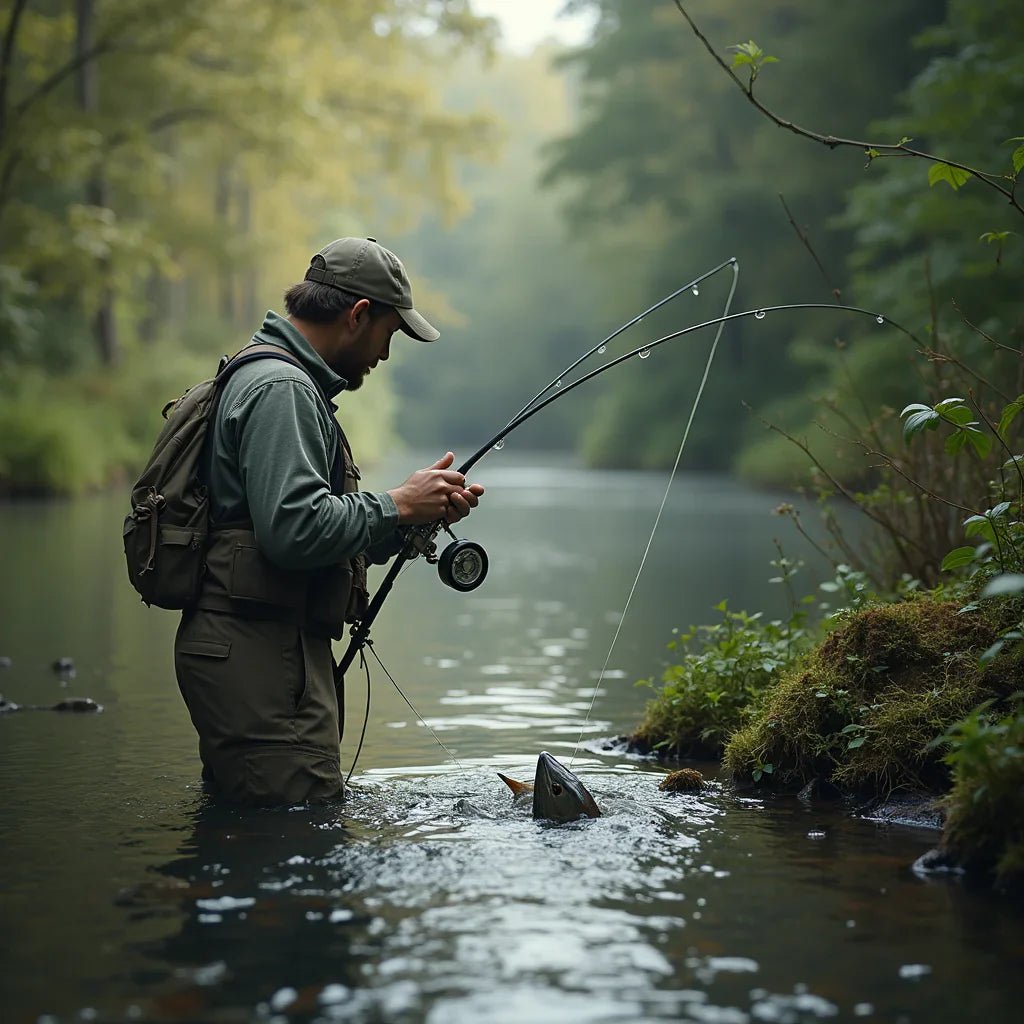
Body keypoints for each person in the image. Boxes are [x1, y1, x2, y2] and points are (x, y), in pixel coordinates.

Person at [174, 237, 484, 806]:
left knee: (256, 842)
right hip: (259, 659)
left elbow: (294, 532)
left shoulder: (282, 382)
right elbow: (293, 531)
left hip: (260, 652)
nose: (385, 355)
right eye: (389, 335)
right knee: (289, 841)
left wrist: (413, 517)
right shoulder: (283, 389)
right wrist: (395, 503)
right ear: (358, 315)